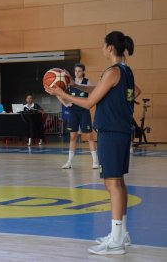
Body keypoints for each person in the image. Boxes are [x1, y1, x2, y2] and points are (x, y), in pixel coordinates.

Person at [45, 31, 136, 255]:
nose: (102, 48)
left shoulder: (113, 71)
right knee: (119, 183)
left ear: (110, 48)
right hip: (121, 131)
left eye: (103, 45)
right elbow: (102, 90)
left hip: (111, 132)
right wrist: (73, 86)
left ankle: (116, 242)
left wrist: (62, 94)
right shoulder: (125, 71)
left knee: (112, 184)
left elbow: (89, 104)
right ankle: (121, 234)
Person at [57, 64, 99, 169]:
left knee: (89, 136)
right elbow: (59, 93)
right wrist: (65, 103)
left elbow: (93, 95)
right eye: (75, 71)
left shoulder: (87, 82)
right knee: (73, 136)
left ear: (83, 72)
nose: (77, 73)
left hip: (84, 111)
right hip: (73, 112)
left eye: (79, 71)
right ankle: (69, 162)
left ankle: (95, 161)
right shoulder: (68, 83)